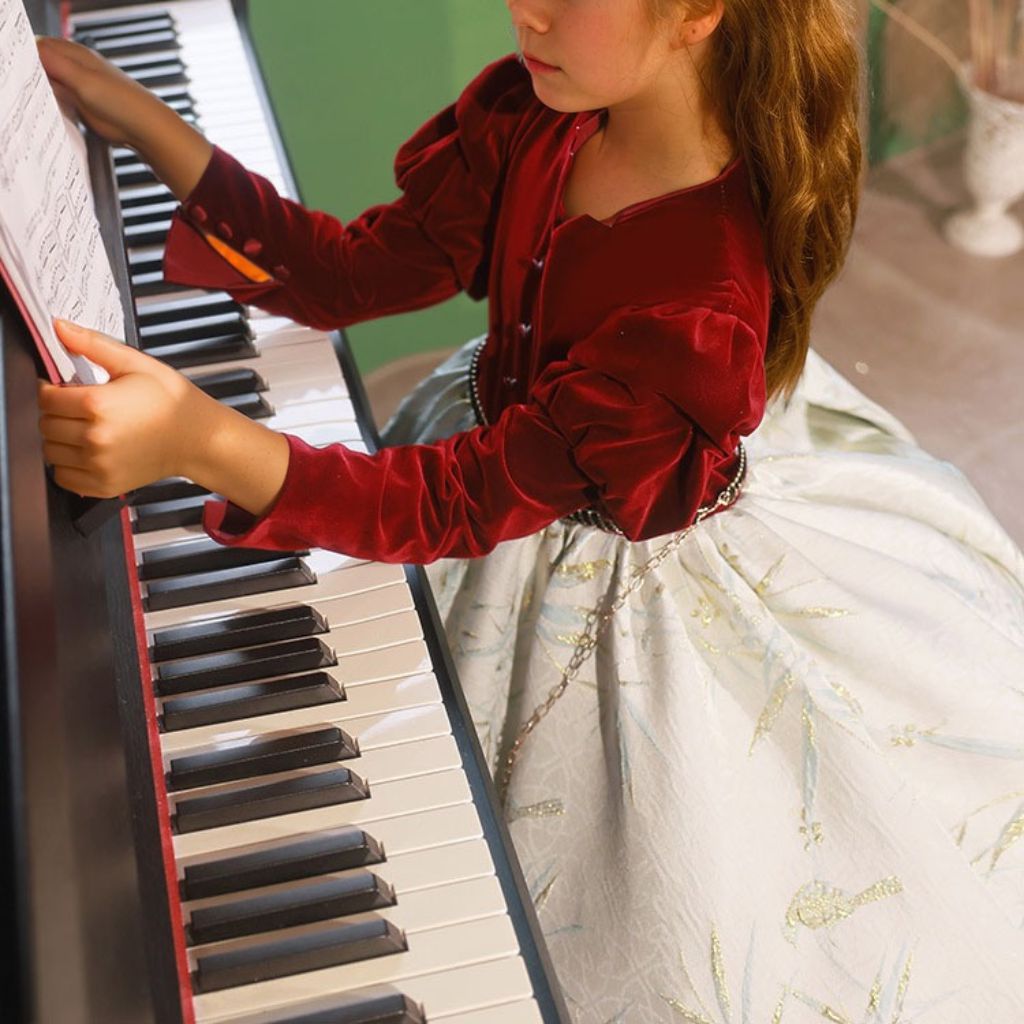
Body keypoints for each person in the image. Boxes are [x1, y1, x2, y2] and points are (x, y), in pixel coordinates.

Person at [36, 0, 1024, 1019]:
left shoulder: (693, 304)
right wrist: (146, 121)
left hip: (602, 571)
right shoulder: (539, 110)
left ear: (696, 14)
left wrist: (203, 441)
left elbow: (456, 501)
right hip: (500, 468)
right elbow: (347, 272)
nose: (527, 10)